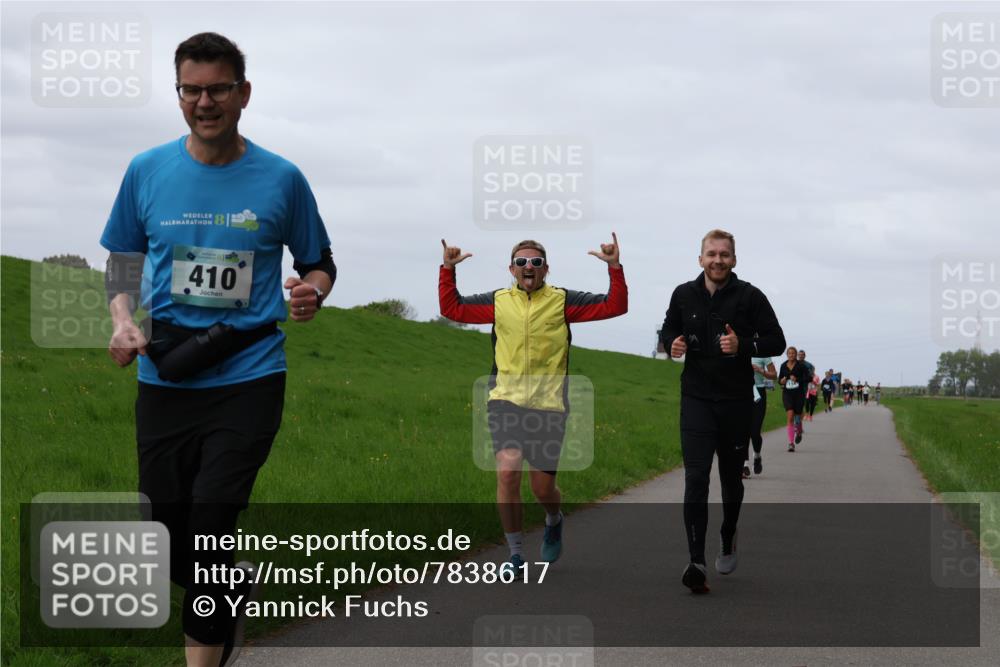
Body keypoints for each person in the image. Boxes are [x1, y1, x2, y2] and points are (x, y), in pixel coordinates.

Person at [102, 33, 335, 667]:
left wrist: (311, 292)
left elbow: (318, 263)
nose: (205, 102)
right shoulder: (147, 170)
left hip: (250, 374)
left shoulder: (282, 179)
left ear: (243, 94)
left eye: (218, 89)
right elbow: (122, 260)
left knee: (210, 525)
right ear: (179, 93)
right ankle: (230, 588)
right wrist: (123, 318)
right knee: (164, 530)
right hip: (166, 374)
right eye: (191, 89)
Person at [439, 235, 627, 573]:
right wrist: (447, 270)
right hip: (505, 400)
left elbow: (615, 306)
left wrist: (614, 267)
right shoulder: (498, 301)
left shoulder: (563, 301)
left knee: (542, 488)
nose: (529, 267)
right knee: (508, 470)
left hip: (549, 405)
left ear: (546, 269)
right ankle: (514, 554)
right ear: (512, 269)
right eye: (522, 262)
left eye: (536, 262)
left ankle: (554, 518)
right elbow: (452, 309)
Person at [660, 229, 785, 594]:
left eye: (724, 255)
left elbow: (776, 339)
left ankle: (728, 535)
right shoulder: (684, 294)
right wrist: (673, 343)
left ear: (734, 259)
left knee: (731, 481)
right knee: (696, 478)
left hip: (735, 403)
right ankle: (696, 560)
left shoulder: (750, 297)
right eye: (711, 254)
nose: (718, 260)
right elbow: (668, 328)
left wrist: (743, 344)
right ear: (700, 259)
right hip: (696, 400)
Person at [745, 356, 776, 478]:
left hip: (758, 392)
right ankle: (745, 465)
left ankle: (757, 456)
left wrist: (760, 370)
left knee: (755, 432)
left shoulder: (764, 354)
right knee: (743, 431)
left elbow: (774, 375)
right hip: (742, 392)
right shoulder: (739, 350)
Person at [779, 346, 811, 451]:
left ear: (796, 354)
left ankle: (799, 430)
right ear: (787, 354)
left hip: (798, 394)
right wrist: (782, 381)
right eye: (789, 353)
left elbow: (809, 378)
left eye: (793, 353)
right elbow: (779, 379)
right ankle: (791, 443)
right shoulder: (783, 366)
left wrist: (797, 379)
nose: (791, 355)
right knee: (790, 415)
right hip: (787, 394)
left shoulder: (801, 366)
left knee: (798, 416)